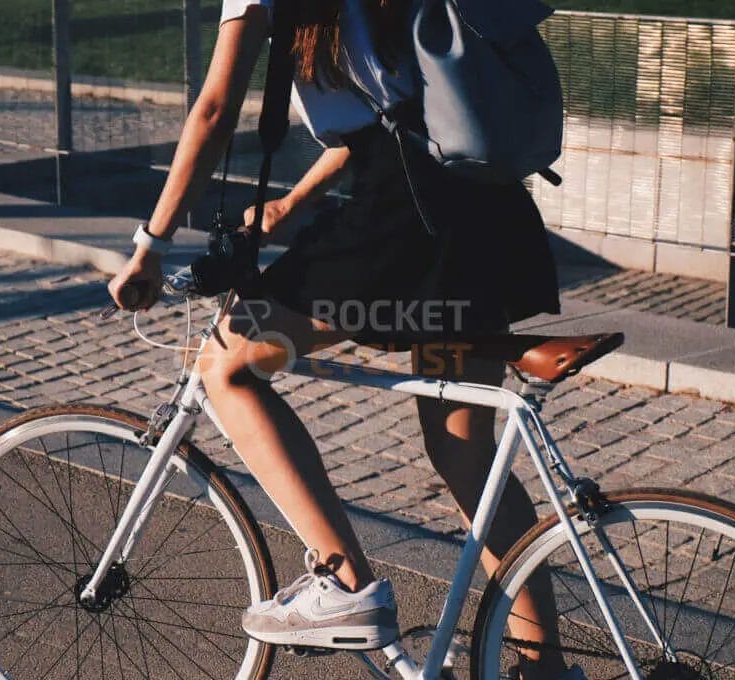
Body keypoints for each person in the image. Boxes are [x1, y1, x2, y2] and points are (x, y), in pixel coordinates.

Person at [109, 0, 575, 676]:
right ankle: (543, 670)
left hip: (407, 222)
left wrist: (149, 246)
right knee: (466, 454)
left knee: (227, 364)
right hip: (485, 211)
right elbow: (392, 116)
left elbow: (212, 112)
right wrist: (289, 206)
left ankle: (345, 586)